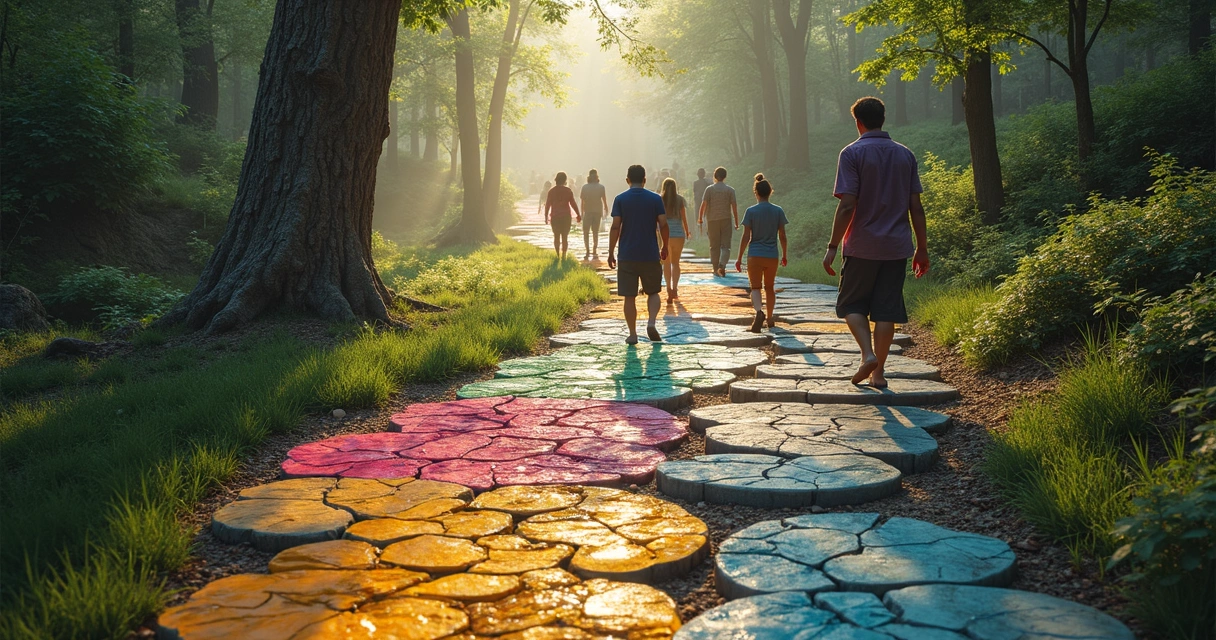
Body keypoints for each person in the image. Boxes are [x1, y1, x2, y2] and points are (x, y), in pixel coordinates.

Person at [823, 96, 930, 388]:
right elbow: (916, 207)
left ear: (858, 122)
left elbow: (847, 204)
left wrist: (832, 246)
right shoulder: (905, 155)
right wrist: (922, 247)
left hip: (861, 245)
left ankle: (867, 354)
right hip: (896, 247)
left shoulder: (851, 153)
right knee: (886, 310)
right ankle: (879, 374)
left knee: (850, 303)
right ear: (883, 119)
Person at [608, 165, 670, 344]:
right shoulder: (655, 199)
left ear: (627, 180)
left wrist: (611, 252)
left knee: (629, 296)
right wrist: (665, 246)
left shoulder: (620, 199)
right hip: (650, 253)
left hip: (627, 254)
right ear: (645, 180)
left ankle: (633, 334)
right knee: (653, 292)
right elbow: (663, 224)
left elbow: (615, 227)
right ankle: (651, 323)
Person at [735, 173, 788, 332]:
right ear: (770, 192)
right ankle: (770, 318)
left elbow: (746, 237)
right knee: (770, 287)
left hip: (755, 255)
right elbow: (782, 236)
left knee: (756, 288)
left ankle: (759, 312)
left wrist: (739, 258)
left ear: (756, 192)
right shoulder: (778, 211)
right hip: (772, 255)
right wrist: (784, 255)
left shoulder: (751, 211)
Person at [698, 166, 738, 277]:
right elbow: (734, 207)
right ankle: (722, 265)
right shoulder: (730, 190)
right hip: (726, 220)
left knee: (714, 246)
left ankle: (715, 268)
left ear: (715, 176)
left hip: (712, 221)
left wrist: (700, 218)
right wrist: (736, 221)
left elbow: (703, 205)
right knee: (726, 246)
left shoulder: (709, 189)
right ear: (725, 176)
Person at [659, 177, 690, 303]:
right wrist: (687, 232)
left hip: (665, 235)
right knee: (676, 263)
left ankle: (668, 290)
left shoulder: (660, 200)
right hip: (678, 235)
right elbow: (684, 218)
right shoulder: (680, 200)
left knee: (666, 263)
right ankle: (675, 289)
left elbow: (657, 218)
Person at [544, 172, 581, 259]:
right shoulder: (568, 191)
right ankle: (564, 255)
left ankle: (557, 255)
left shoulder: (551, 191)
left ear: (556, 180)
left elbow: (547, 205)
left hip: (555, 217)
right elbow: (573, 203)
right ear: (565, 180)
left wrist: (546, 216)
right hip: (566, 217)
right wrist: (578, 214)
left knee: (556, 236)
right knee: (565, 237)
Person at [580, 169, 609, 259]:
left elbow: (582, 202)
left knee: (586, 231)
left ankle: (587, 250)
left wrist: (582, 213)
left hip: (588, 211)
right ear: (597, 177)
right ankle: (594, 249)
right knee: (595, 231)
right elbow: (604, 200)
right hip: (597, 211)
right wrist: (606, 209)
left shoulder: (585, 187)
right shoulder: (601, 187)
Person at [691, 168, 711, 239]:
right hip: (705, 201)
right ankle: (705, 232)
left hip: (698, 201)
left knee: (698, 215)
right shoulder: (707, 183)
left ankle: (699, 232)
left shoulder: (695, 183)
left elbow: (694, 191)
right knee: (705, 215)